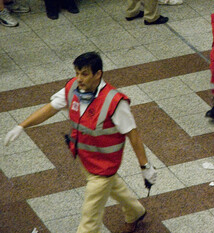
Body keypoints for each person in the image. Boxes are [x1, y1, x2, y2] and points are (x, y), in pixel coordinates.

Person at [3, 52, 157, 233]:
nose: (79, 79)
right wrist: (22, 125)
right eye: (77, 73)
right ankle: (136, 212)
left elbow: (133, 135)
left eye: (84, 74)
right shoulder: (72, 89)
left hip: (104, 167)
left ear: (98, 74)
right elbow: (50, 108)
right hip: (85, 159)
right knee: (114, 187)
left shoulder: (114, 102)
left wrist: (145, 167)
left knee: (89, 219)